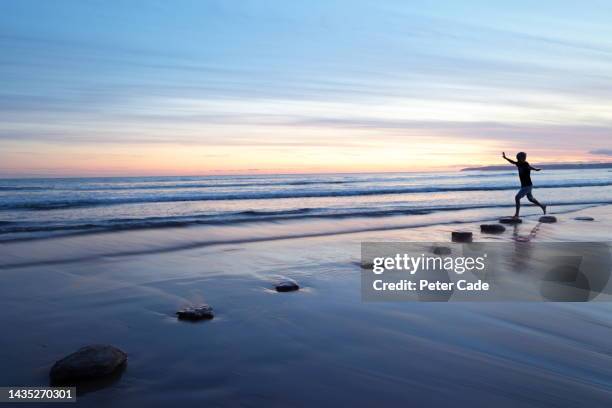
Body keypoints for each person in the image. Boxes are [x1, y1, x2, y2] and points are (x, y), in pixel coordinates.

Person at [502, 152, 546, 217]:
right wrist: (505, 158)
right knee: (530, 199)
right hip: (525, 185)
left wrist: (535, 169)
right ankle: (542, 206)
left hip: (527, 185)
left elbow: (529, 167)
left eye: (524, 157)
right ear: (519, 158)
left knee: (517, 198)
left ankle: (517, 214)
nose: (524, 158)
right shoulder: (518, 163)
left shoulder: (525, 163)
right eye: (522, 157)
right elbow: (512, 162)